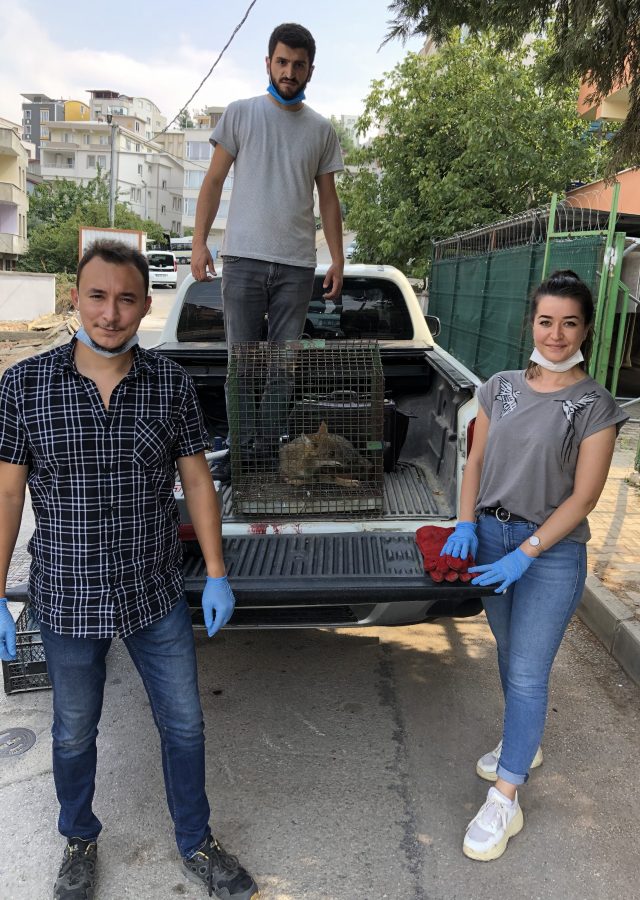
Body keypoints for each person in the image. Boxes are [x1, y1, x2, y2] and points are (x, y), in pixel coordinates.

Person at [0, 241, 259, 900]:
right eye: (97, 296)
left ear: (146, 305)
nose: (110, 313)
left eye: (125, 299)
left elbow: (198, 481)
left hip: (154, 593)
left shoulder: (168, 384)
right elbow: (6, 494)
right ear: (74, 299)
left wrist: (218, 569)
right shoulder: (24, 386)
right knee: (71, 732)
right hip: (65, 598)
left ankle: (196, 843)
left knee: (184, 725)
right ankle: (79, 838)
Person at [441, 270, 628, 862]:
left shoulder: (595, 406)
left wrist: (529, 552)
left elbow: (584, 498)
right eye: (546, 320)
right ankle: (521, 741)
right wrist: (465, 523)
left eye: (569, 322)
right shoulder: (498, 387)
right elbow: (474, 462)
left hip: (549, 553)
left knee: (527, 671)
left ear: (586, 330)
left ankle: (507, 795)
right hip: (490, 541)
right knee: (508, 651)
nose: (556, 333)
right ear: (532, 323)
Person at [191, 23, 345, 475]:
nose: (289, 71)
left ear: (310, 70)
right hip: (241, 260)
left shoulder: (321, 130)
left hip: (298, 265)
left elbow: (329, 199)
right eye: (282, 61)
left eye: (298, 65)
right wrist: (200, 243)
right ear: (268, 62)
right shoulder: (240, 114)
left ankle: (264, 457)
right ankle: (241, 457)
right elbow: (213, 181)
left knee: (281, 370)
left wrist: (337, 258)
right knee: (241, 366)